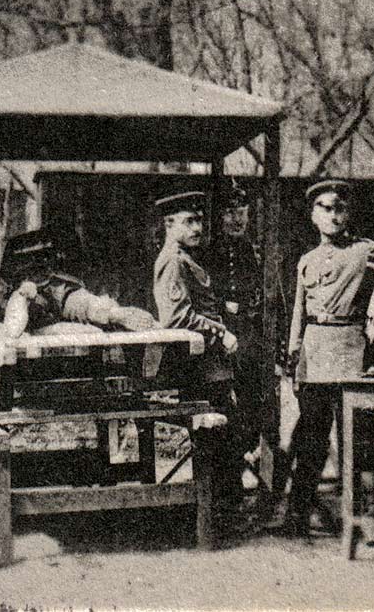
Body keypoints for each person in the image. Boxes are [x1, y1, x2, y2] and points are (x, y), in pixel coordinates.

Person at [279, 180, 374, 538]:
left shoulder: (364, 251)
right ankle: (297, 517)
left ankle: (365, 519)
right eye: (325, 208)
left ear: (348, 214)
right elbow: (299, 312)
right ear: (313, 215)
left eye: (339, 208)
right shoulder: (307, 260)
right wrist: (295, 354)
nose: (333, 215)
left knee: (359, 442)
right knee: (311, 439)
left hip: (350, 354)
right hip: (314, 355)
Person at [152, 191, 246, 527]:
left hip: (210, 364)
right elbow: (176, 316)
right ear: (169, 224)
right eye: (189, 221)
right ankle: (215, 515)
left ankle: (219, 511)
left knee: (224, 436)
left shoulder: (186, 258)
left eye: (200, 220)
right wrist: (221, 332)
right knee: (217, 437)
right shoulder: (173, 261)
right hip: (196, 365)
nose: (198, 227)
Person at [202, 181, 275, 489]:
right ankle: (226, 477)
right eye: (230, 213)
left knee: (253, 404)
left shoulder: (252, 252)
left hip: (247, 336)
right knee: (222, 406)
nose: (237, 220)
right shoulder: (209, 252)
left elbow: (265, 294)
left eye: (242, 213)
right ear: (219, 217)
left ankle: (250, 462)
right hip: (218, 335)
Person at [0, 226, 158, 334]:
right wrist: (22, 294)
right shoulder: (14, 289)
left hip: (54, 297)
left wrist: (112, 313)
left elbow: (73, 299)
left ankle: (112, 312)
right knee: (79, 302)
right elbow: (13, 325)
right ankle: (111, 312)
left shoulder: (53, 285)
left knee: (80, 302)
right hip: (36, 301)